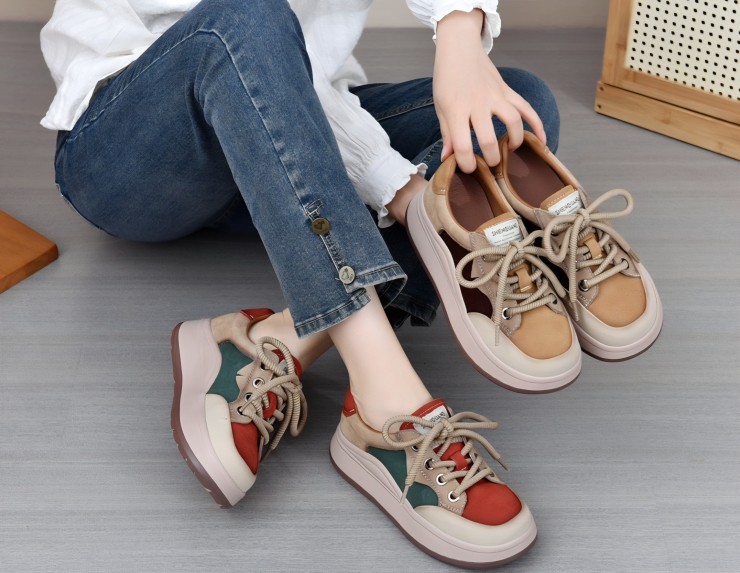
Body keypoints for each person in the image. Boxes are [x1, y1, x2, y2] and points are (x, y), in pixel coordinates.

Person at [41, 0, 563, 567]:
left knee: (514, 112)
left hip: (285, 138)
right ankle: (385, 403)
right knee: (248, 16)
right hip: (133, 149)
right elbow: (235, 49)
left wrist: (461, 33)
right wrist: (402, 188)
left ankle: (281, 339)